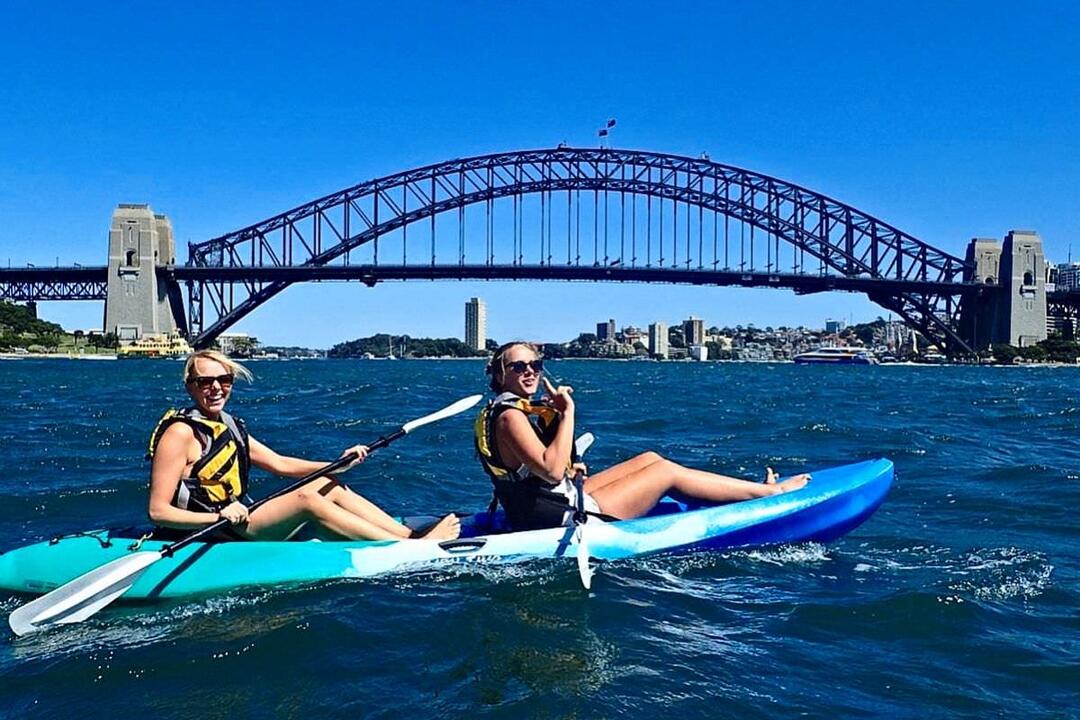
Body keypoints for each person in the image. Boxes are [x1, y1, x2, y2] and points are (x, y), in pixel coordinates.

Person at [474, 341, 811, 531]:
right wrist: (568, 413)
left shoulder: (505, 411)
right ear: (501, 376)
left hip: (540, 504)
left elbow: (543, 470)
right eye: (518, 367)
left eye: (535, 364)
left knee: (651, 459)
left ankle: (748, 489)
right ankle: (770, 493)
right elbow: (548, 469)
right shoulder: (510, 417)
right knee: (664, 473)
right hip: (553, 517)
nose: (530, 371)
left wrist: (568, 463)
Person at [148, 349, 460, 541]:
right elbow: (158, 512)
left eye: (224, 380)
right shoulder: (179, 433)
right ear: (190, 387)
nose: (216, 388)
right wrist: (218, 517)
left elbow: (280, 464)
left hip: (234, 519)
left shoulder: (227, 425)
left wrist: (339, 463)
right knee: (305, 502)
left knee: (326, 483)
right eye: (205, 382)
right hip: (214, 527)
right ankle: (410, 549)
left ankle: (408, 534)